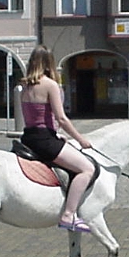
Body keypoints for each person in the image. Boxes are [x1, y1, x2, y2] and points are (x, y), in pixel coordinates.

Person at [20, 45, 95, 233]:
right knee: (87, 169)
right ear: (49, 63)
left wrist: (54, 133)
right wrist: (80, 139)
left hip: (29, 137)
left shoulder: (25, 86)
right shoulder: (50, 85)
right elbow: (61, 118)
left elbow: (34, 118)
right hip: (44, 140)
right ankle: (69, 215)